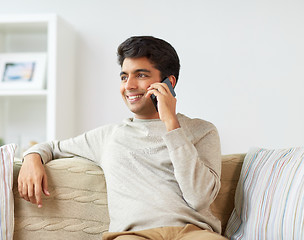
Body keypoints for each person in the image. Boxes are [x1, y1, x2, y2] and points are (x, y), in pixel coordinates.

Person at [18, 36, 226, 240]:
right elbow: (52, 147)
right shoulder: (109, 136)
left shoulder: (202, 131)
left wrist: (172, 125)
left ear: (168, 83)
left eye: (141, 75)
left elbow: (199, 198)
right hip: (132, 235)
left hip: (193, 233)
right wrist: (32, 158)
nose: (129, 85)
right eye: (124, 77)